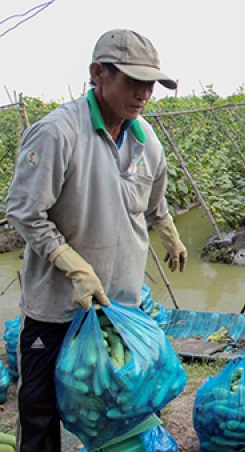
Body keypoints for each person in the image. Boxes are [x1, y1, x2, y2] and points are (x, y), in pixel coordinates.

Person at [6, 29, 187, 451]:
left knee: (125, 400)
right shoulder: (58, 133)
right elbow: (24, 211)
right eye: (133, 80)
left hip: (121, 304)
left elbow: (154, 202)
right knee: (39, 407)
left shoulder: (147, 141)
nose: (144, 93)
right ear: (98, 73)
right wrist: (72, 263)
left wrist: (170, 233)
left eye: (151, 84)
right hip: (57, 308)